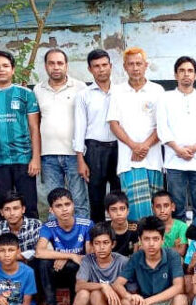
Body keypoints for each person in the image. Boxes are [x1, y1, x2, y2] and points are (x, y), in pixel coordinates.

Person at [111, 216, 188, 305]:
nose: (151, 244)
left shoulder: (172, 255)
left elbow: (179, 287)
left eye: (155, 239)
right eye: (146, 239)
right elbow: (117, 284)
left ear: (162, 240)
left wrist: (149, 301)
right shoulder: (136, 257)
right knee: (115, 302)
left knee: (182, 300)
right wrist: (130, 297)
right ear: (140, 240)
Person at [0, 50, 40, 219]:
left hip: (23, 159)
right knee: (4, 207)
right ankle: (6, 236)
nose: (1, 69)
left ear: (13, 69)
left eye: (5, 66)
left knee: (29, 206)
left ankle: (32, 235)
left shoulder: (26, 94)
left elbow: (34, 128)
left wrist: (35, 158)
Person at [107, 47, 164, 221]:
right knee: (132, 211)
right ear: (125, 67)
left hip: (153, 160)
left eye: (139, 63)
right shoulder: (117, 91)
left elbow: (163, 125)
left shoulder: (157, 90)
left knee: (156, 210)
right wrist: (134, 146)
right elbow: (114, 124)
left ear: (146, 65)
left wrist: (144, 146)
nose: (135, 68)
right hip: (128, 160)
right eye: (131, 64)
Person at [157, 56, 196, 221]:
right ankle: (180, 236)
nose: (186, 74)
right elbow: (162, 129)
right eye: (182, 71)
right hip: (174, 161)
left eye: (190, 71)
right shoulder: (165, 98)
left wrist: (194, 148)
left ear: (195, 75)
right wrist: (178, 149)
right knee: (177, 206)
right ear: (175, 75)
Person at [34, 48, 89, 218]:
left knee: (79, 200)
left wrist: (82, 154)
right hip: (48, 156)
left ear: (66, 65)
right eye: (51, 63)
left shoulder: (80, 87)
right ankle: (55, 234)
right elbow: (35, 123)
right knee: (54, 202)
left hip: (74, 154)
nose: (56, 67)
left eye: (60, 63)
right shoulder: (38, 89)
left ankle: (82, 234)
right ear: (45, 66)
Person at [35, 188, 94, 305]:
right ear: (51, 210)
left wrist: (66, 258)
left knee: (76, 265)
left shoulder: (86, 224)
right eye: (58, 206)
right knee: (43, 263)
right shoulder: (48, 227)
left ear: (73, 205)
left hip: (77, 274)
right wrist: (67, 255)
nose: (64, 209)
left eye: (67, 204)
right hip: (56, 273)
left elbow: (90, 255)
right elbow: (39, 252)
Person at [73, 49, 121, 222]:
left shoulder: (122, 92)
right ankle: (99, 232)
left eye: (104, 65)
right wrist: (80, 159)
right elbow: (80, 127)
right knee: (96, 197)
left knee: (119, 195)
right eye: (96, 66)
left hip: (119, 147)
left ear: (111, 66)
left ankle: (118, 232)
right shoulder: (83, 95)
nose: (101, 69)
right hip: (94, 149)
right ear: (90, 69)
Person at [0, 192, 41, 266]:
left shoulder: (35, 225)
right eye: (7, 209)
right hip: (3, 267)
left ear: (23, 209)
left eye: (15, 208)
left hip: (30, 267)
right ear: (1, 212)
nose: (12, 213)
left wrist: (15, 257)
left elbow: (40, 250)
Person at [151, 190, 187, 257]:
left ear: (172, 207)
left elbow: (181, 251)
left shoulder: (182, 226)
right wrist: (174, 248)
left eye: (166, 206)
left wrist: (154, 250)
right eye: (158, 206)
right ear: (153, 209)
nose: (162, 210)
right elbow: (142, 249)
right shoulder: (149, 226)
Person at [104, 191, 138, 257]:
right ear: (108, 212)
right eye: (113, 209)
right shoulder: (103, 229)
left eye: (122, 209)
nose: (118, 213)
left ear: (128, 211)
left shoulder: (137, 227)